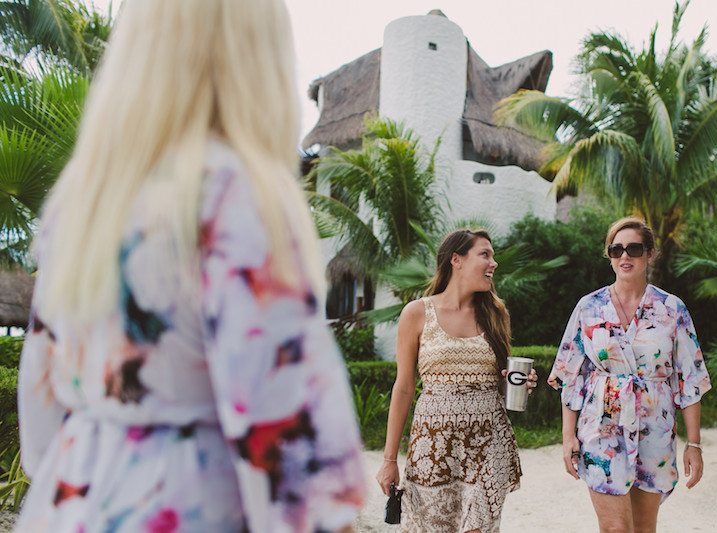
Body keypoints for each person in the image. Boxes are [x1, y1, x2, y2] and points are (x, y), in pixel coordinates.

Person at [15, 1, 365, 531]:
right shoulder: (233, 197)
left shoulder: (82, 202)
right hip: (187, 506)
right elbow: (290, 453)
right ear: (256, 57)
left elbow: (39, 404)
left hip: (72, 506)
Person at [548, 217, 712, 532]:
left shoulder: (671, 309)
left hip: (655, 431)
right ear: (609, 255)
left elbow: (690, 380)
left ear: (649, 254)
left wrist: (695, 444)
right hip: (601, 428)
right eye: (616, 249)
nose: (625, 256)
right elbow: (571, 377)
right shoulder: (589, 307)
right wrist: (568, 437)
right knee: (614, 527)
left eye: (634, 249)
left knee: (643, 527)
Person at [375, 229, 536, 533]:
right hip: (433, 445)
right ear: (456, 260)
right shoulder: (417, 313)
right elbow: (405, 387)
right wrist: (389, 459)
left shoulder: (495, 313)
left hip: (488, 443)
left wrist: (517, 383)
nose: (494, 263)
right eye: (485, 254)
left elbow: (501, 379)